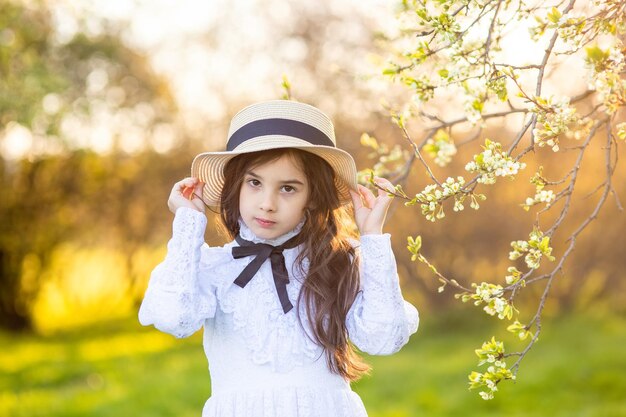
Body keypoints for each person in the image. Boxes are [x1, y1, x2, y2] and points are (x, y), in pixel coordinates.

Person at [138, 100, 419, 417]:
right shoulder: (213, 266)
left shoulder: (340, 260)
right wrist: (189, 223)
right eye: (254, 183)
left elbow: (384, 337)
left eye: (288, 188)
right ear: (236, 186)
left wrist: (372, 239)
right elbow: (173, 318)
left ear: (313, 198)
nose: (267, 204)